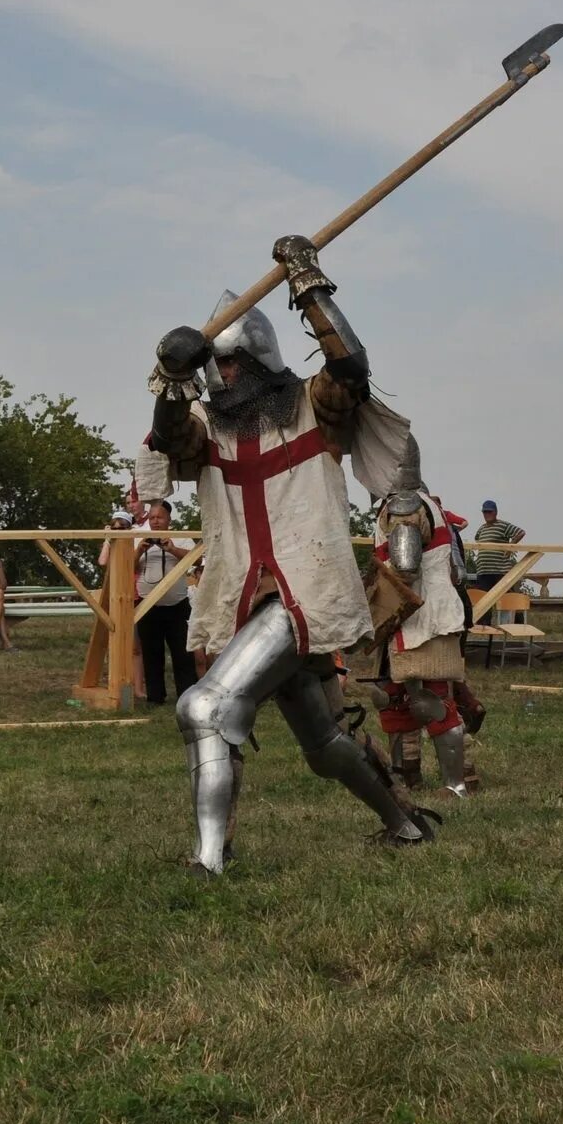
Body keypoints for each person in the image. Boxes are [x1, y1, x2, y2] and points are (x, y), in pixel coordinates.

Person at [143, 235, 437, 875]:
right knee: (325, 745)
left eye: (223, 365)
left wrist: (309, 285)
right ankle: (406, 826)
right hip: (247, 599)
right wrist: (170, 374)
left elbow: (351, 372)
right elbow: (169, 439)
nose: (216, 378)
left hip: (301, 592)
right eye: (209, 367)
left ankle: (209, 859)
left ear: (250, 360)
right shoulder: (205, 427)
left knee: (203, 707)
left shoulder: (311, 406)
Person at [359, 481, 478, 796]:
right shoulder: (426, 503)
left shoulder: (404, 506)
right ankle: (407, 779)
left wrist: (367, 596)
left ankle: (456, 785)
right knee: (393, 701)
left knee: (431, 701)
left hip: (420, 619)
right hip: (409, 619)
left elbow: (405, 568)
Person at [134, 500, 195, 705]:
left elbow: (197, 560)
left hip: (178, 605)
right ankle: (155, 697)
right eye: (151, 518)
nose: (155, 521)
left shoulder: (182, 538)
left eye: (159, 517)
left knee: (183, 653)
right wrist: (139, 550)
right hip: (147, 606)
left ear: (169, 519)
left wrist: (172, 549)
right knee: (152, 653)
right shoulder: (137, 538)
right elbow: (128, 567)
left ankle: (186, 696)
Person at [468, 500, 526, 624]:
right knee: (483, 598)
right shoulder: (482, 529)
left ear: (495, 512)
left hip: (499, 569)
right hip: (484, 570)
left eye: (489, 511)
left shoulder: (503, 525)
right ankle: (484, 624)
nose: (487, 514)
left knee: (507, 596)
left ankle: (515, 622)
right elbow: (477, 539)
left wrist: (511, 546)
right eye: (485, 512)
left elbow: (520, 532)